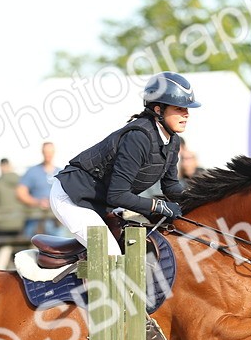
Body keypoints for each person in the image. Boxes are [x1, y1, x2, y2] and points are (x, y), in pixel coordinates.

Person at [50, 71, 196, 255]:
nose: (187, 114)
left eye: (187, 109)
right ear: (158, 110)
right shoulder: (138, 137)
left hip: (99, 202)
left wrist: (198, 200)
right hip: (72, 197)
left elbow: (171, 186)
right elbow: (117, 195)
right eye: (179, 109)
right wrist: (158, 206)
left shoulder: (172, 140)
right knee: (109, 253)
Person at [0, 159, 26, 268]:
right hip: (21, 224)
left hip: (2, 225)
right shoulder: (22, 182)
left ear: (1, 167)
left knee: (4, 248)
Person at [17, 142, 60, 234]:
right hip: (35, 219)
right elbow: (20, 193)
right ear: (42, 152)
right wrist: (38, 202)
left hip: (56, 221)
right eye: (46, 152)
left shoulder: (60, 172)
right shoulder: (32, 171)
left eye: (50, 152)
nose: (48, 154)